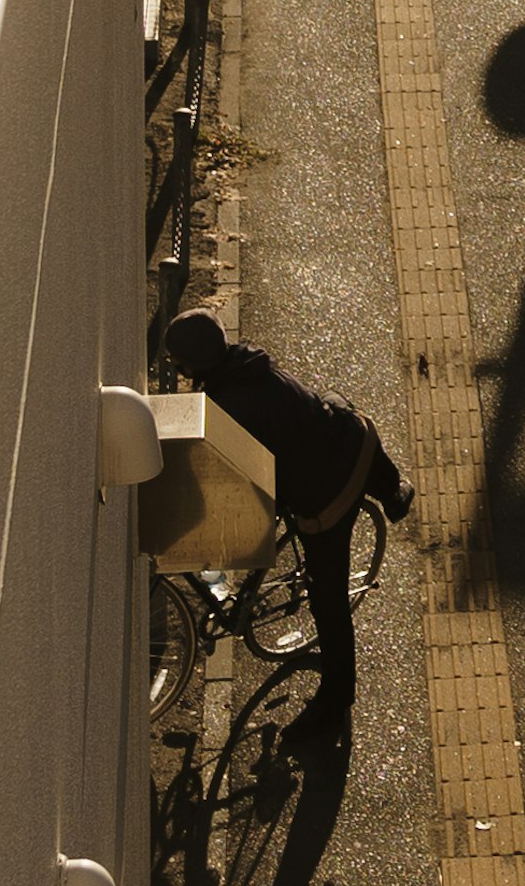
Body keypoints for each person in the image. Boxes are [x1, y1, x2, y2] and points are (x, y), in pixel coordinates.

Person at [159, 307, 412, 721]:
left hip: (332, 490)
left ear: (193, 363)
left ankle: (335, 701)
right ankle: (391, 489)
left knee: (327, 602)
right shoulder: (247, 364)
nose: (177, 369)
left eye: (178, 362)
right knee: (335, 412)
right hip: (349, 437)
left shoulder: (230, 406)